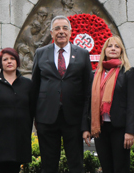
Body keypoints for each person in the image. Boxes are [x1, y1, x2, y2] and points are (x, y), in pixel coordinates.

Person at [31, 15, 92, 173]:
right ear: (51, 33)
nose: (61, 31)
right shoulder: (40, 53)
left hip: (74, 118)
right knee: (49, 165)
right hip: (47, 118)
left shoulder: (83, 54)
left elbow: (88, 90)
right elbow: (35, 87)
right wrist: (35, 118)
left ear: (71, 32)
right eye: (57, 28)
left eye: (65, 28)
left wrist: (86, 122)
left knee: (76, 164)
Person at [87, 35, 134, 173]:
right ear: (105, 50)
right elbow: (89, 103)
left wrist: (130, 131)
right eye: (110, 46)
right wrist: (86, 128)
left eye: (117, 46)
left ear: (121, 51)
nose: (113, 49)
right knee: (106, 167)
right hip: (101, 129)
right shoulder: (95, 74)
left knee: (121, 168)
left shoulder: (128, 72)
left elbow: (133, 103)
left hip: (120, 128)